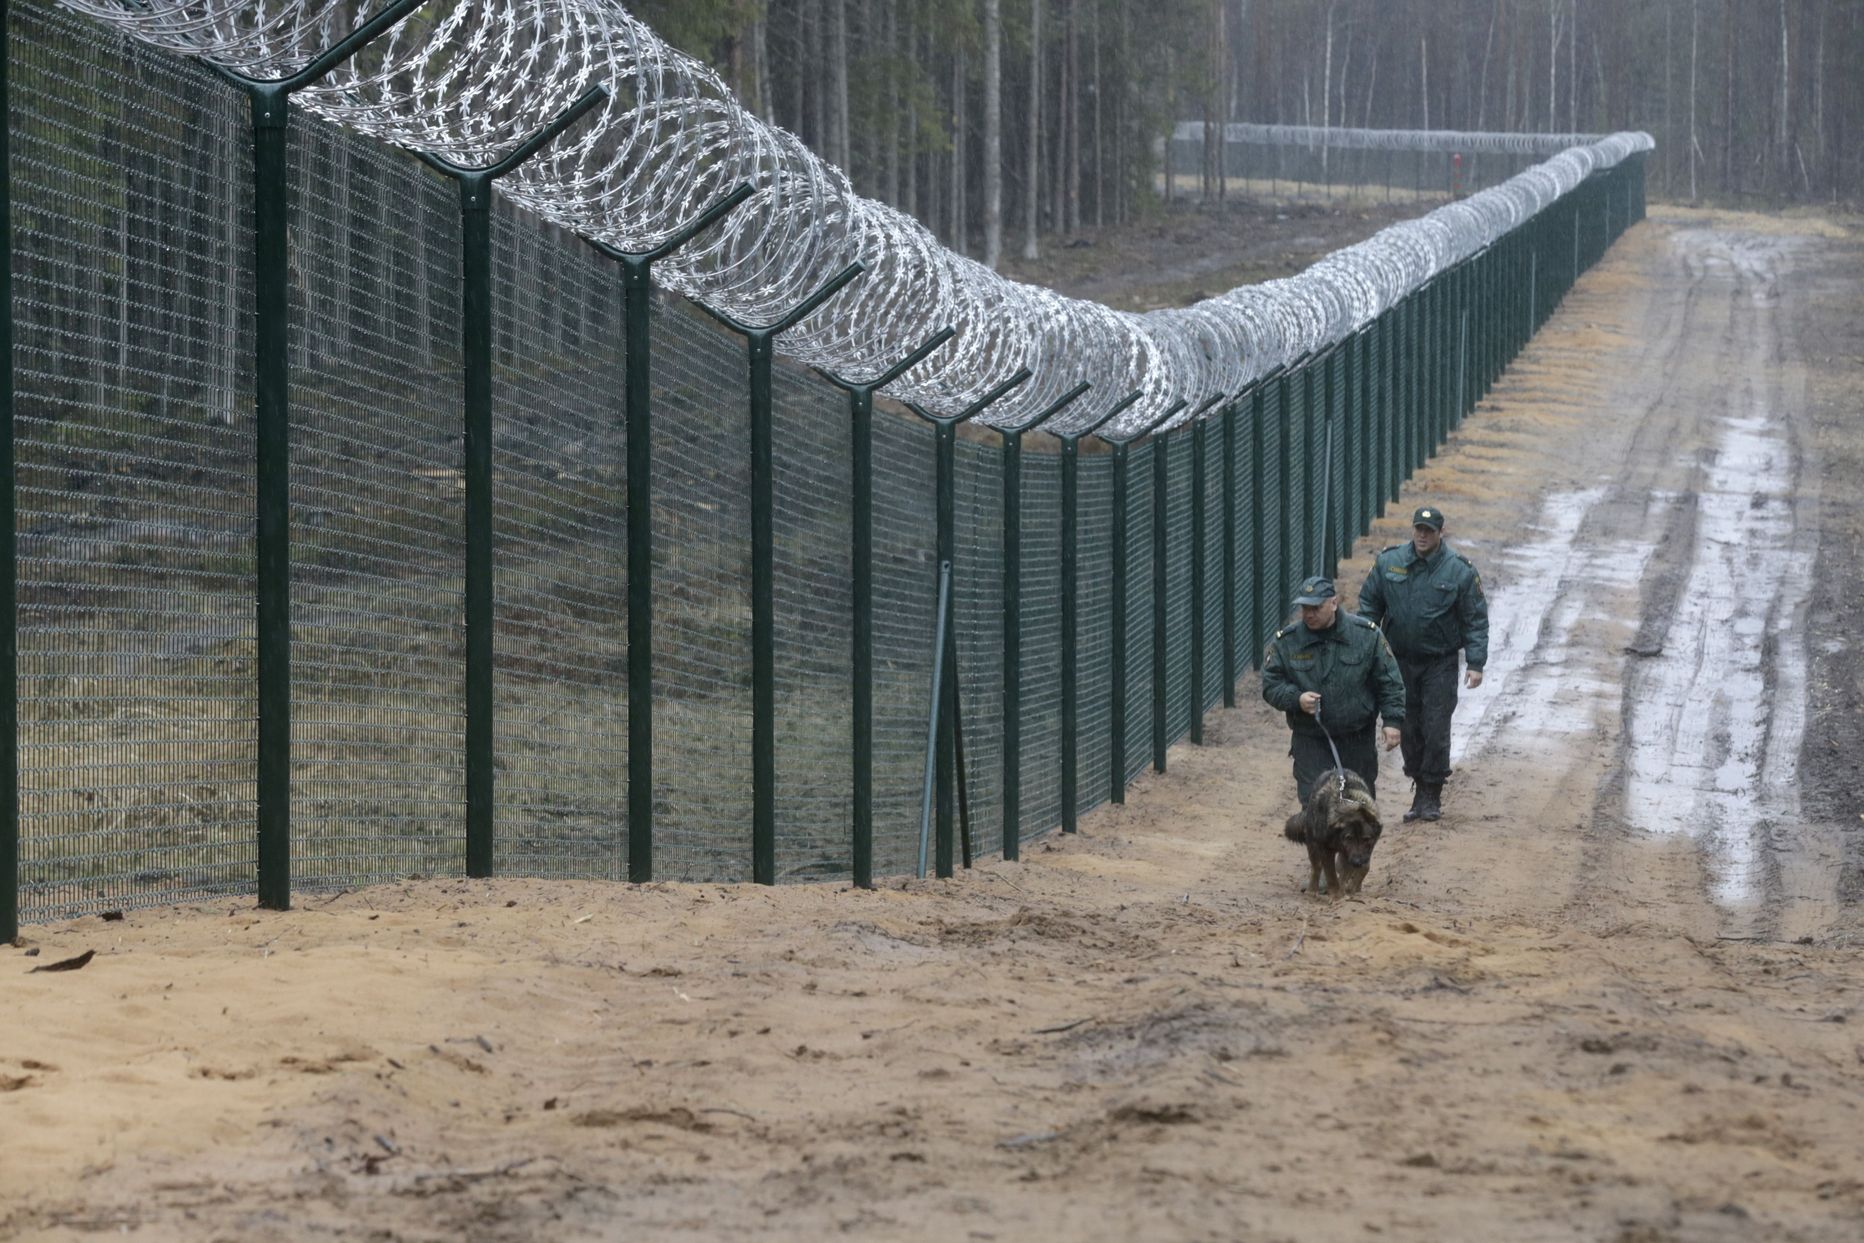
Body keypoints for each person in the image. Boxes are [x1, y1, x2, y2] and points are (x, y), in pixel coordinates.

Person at [1355, 505, 1489, 823]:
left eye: (1428, 531)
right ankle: (1417, 778)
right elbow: (1369, 606)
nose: (1422, 536)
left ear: (1441, 533)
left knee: (1436, 726)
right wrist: (1364, 650)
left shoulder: (1459, 571)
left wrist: (1476, 662)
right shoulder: (1390, 562)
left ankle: (1431, 791)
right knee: (1407, 726)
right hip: (1398, 660)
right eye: (1418, 529)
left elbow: (1475, 619)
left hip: (1439, 662)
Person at [1260, 575, 1406, 808]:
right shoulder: (1288, 641)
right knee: (1315, 805)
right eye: (1305, 608)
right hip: (1310, 738)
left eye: (1316, 608)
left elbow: (1389, 681)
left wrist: (1393, 721)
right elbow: (1270, 683)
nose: (1309, 614)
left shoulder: (1366, 636)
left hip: (1356, 736)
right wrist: (1296, 698)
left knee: (1358, 806)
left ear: (1334, 603)